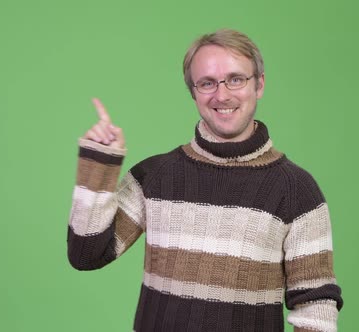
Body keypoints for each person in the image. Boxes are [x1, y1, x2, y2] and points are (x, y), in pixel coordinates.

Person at [67, 29, 343, 332]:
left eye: (236, 79)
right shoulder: (154, 177)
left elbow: (316, 306)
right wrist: (99, 166)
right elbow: (86, 254)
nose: (222, 95)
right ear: (194, 92)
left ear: (259, 84)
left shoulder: (296, 189)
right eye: (207, 83)